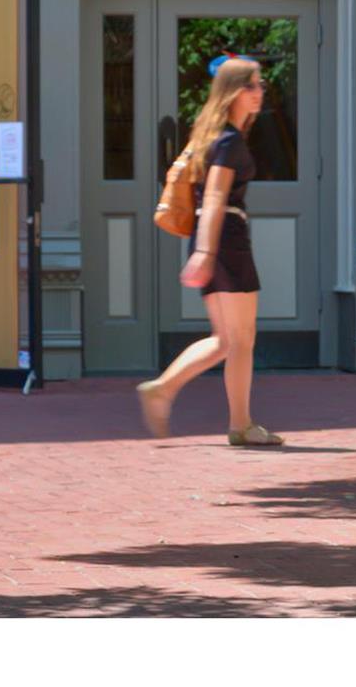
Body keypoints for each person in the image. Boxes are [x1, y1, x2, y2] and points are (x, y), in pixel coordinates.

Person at [136, 57, 284, 447]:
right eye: (251, 86)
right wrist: (205, 250)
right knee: (241, 338)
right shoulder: (230, 141)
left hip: (216, 240)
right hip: (226, 239)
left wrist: (203, 249)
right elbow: (216, 196)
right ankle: (238, 423)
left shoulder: (214, 136)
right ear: (234, 91)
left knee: (226, 339)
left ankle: (166, 390)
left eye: (260, 85)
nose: (259, 93)